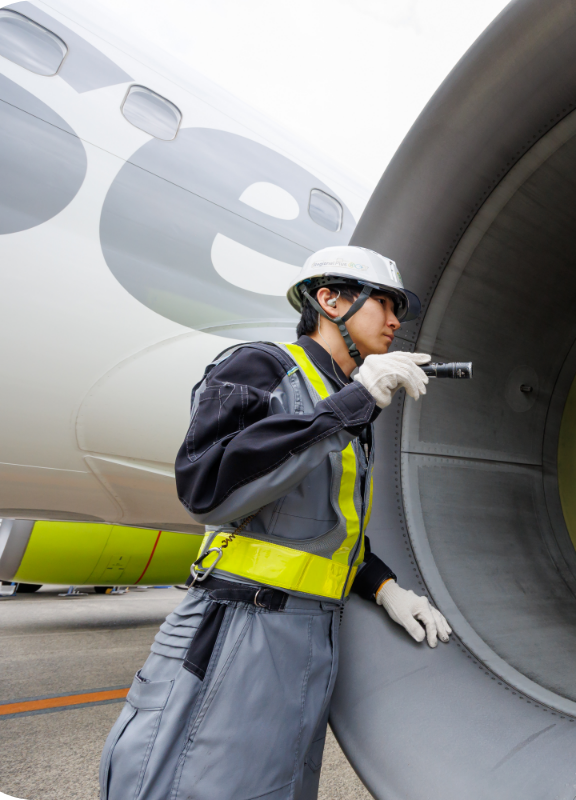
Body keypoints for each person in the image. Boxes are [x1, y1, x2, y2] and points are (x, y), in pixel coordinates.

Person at [100, 245, 452, 800]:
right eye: (383, 303)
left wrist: (385, 588)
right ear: (328, 300)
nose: (394, 321)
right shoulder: (261, 367)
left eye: (397, 310)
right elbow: (206, 489)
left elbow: (319, 532)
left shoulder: (345, 403)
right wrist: (352, 404)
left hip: (310, 638)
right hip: (240, 625)